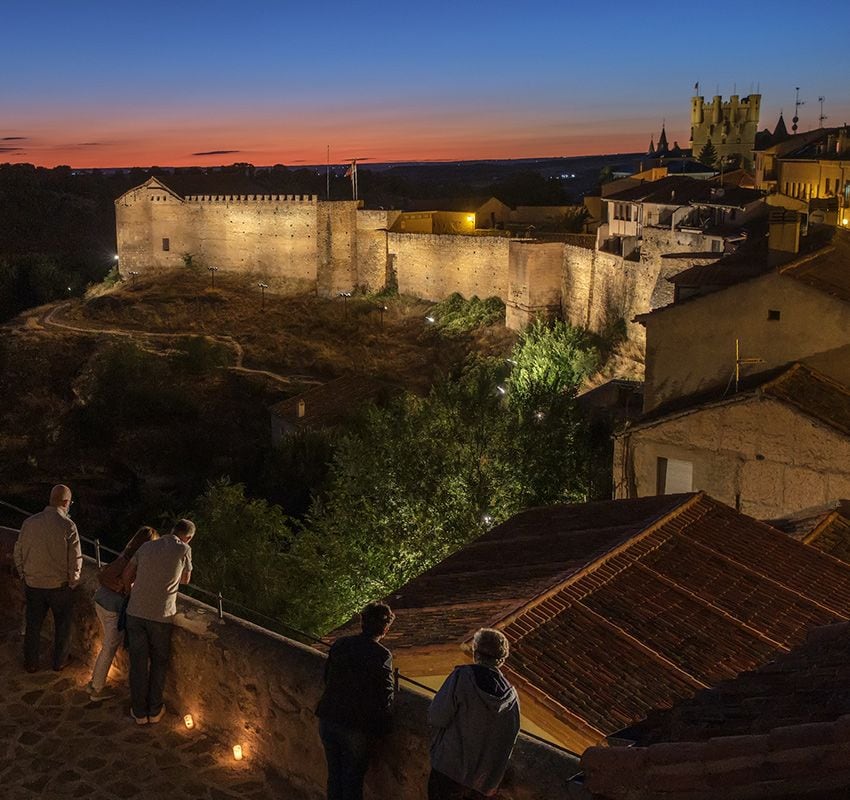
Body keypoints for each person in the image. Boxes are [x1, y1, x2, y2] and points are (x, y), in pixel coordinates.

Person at [428, 628, 521, 800]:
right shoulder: (511, 697)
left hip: (448, 771)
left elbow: (437, 716)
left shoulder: (462, 677)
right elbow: (508, 742)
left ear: (475, 652)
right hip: (481, 784)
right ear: (501, 660)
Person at [316, 602, 396, 800]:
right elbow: (385, 693)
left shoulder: (341, 644)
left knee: (335, 776)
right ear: (385, 629)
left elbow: (327, 677)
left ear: (362, 622)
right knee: (352, 781)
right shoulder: (381, 654)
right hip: (355, 725)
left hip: (329, 716)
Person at [121, 518, 195, 725]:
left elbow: (127, 573)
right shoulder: (184, 550)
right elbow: (186, 580)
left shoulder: (146, 546)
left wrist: (130, 591)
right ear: (188, 537)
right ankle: (154, 710)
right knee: (159, 663)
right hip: (161, 615)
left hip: (135, 612)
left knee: (138, 663)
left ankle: (138, 711)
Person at [13, 484, 83, 673]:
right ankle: (59, 661)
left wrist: (23, 574)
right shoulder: (68, 526)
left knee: (33, 625)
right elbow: (75, 559)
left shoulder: (29, 523)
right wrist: (73, 582)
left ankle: (31, 663)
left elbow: (18, 551)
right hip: (59, 586)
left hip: (33, 584)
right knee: (63, 626)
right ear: (66, 502)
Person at [86, 525, 158, 702]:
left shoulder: (124, 556)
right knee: (109, 647)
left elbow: (104, 574)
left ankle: (94, 682)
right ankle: (97, 688)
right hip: (112, 607)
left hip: (101, 601)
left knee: (107, 646)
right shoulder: (133, 561)